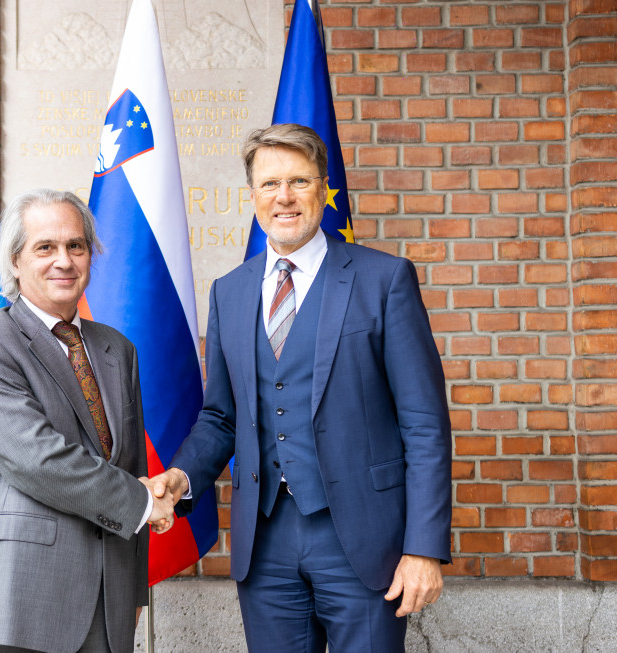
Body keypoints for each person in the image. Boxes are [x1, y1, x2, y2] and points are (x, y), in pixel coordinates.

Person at [151, 123, 452, 652]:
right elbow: (222, 416)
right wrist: (181, 476)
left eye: (299, 181)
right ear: (252, 196)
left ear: (322, 187)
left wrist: (423, 548)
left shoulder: (385, 280)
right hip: (264, 545)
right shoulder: (231, 291)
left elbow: (424, 423)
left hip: (364, 540)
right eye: (269, 185)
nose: (284, 197)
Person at [0, 188, 174, 653]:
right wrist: (139, 501)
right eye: (45, 247)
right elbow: (38, 459)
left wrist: (133, 592)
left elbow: (127, 465)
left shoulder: (117, 349)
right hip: (21, 605)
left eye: (76, 246)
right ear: (14, 262)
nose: (64, 261)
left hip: (109, 610)